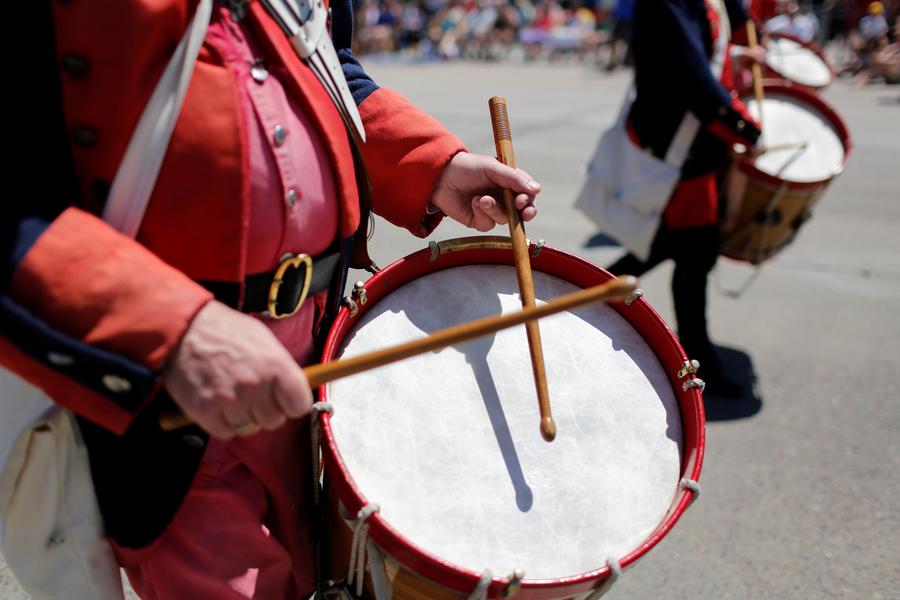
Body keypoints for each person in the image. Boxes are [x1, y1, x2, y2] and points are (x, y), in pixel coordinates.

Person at [2, 1, 541, 598]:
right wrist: (170, 330)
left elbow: (321, 67)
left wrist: (432, 165)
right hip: (174, 390)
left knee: (321, 571)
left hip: (313, 354)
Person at [604, 0, 763, 396]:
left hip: (694, 140)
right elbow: (689, 74)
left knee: (677, 245)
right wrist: (743, 128)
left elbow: (694, 49)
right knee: (692, 252)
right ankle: (697, 356)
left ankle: (587, 294)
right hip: (681, 142)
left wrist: (734, 57)